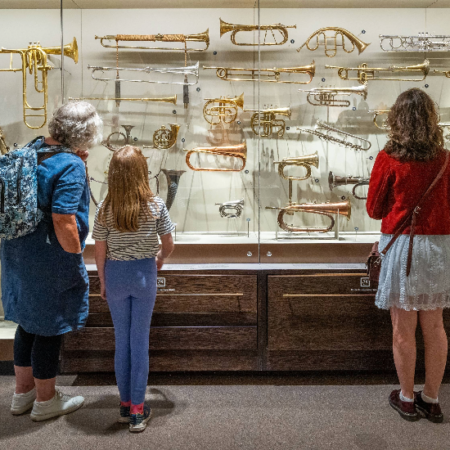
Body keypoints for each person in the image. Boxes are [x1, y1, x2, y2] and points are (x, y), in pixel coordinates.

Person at [2, 101, 102, 421]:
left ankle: (23, 394)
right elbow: (63, 218)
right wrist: (75, 253)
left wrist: (76, 160)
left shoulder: (36, 148)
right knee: (48, 327)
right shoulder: (69, 165)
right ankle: (46, 401)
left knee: (27, 324)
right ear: (86, 133)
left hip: (18, 251)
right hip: (49, 255)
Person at [367, 88, 450, 423]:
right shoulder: (446, 158)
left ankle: (405, 397)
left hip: (404, 248)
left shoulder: (388, 159)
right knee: (434, 326)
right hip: (439, 248)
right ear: (431, 119)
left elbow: (374, 209)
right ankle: (431, 399)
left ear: (396, 119)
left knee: (403, 327)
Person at [93, 145, 175, 433]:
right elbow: (168, 244)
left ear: (113, 174)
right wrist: (160, 259)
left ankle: (124, 405)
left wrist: (103, 281)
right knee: (139, 342)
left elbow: (99, 251)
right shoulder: (156, 206)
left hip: (115, 275)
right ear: (143, 172)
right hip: (144, 274)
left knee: (122, 341)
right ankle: (139, 412)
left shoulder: (105, 208)